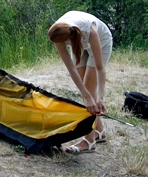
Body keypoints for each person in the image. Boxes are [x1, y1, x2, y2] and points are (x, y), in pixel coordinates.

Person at [48, 10, 113, 154]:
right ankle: (99, 131)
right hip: (79, 43)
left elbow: (100, 68)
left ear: (68, 39)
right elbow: (71, 69)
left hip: (101, 42)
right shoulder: (57, 32)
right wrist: (85, 94)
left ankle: (89, 141)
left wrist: (100, 98)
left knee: (89, 86)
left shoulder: (89, 30)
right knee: (85, 92)